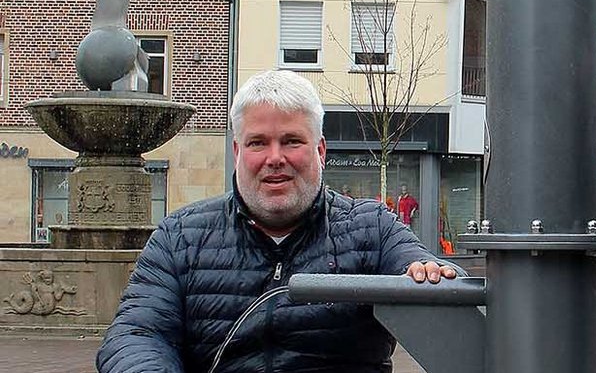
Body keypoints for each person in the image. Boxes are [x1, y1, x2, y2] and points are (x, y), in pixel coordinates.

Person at [96, 70, 458, 373]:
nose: (275, 158)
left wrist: (429, 271)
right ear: (237, 152)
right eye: (257, 143)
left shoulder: (372, 227)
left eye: (291, 141)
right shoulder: (180, 236)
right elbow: (137, 333)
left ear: (320, 150)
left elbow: (418, 265)